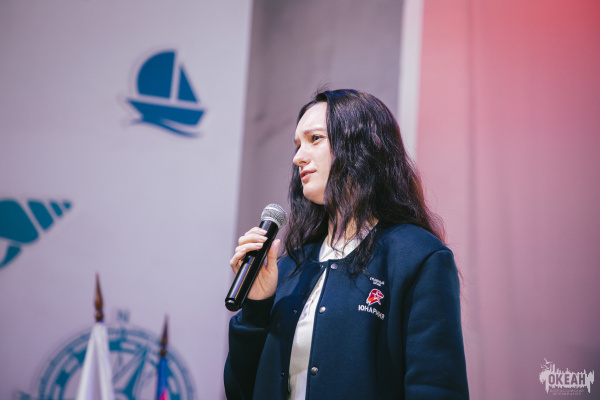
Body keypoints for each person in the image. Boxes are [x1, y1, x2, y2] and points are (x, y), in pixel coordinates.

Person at [224, 89, 469, 399]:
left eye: (315, 139)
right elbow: (240, 390)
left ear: (363, 145)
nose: (298, 157)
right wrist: (257, 306)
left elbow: (436, 386)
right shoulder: (288, 267)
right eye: (297, 145)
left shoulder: (417, 256)